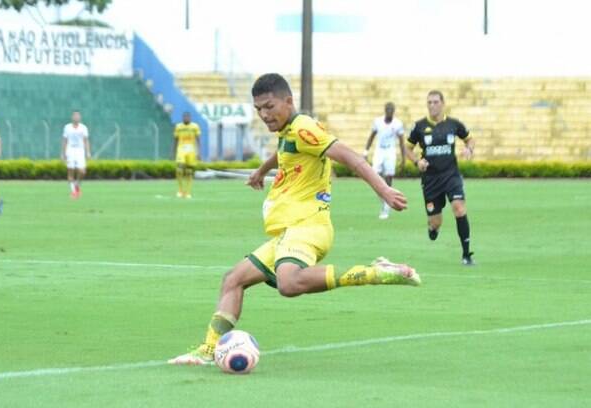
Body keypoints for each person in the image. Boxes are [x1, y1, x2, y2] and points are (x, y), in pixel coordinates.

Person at [168, 73, 420, 366]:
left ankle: (377, 272)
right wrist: (261, 171)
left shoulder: (304, 128)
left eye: (269, 106)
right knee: (233, 280)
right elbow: (283, 152)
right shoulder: (290, 132)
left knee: (288, 283)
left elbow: (351, 157)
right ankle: (209, 349)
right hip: (289, 232)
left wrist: (384, 190)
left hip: (308, 226)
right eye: (258, 109)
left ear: (288, 101)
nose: (264, 114)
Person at [404, 90, 476, 266]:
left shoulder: (454, 124)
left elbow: (469, 139)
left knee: (459, 208)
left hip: (451, 175)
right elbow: (407, 148)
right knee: (436, 221)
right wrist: (417, 161)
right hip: (431, 180)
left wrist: (469, 149)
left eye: (435, 102)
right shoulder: (419, 126)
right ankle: (433, 228)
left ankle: (466, 255)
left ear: (443, 103)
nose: (432, 105)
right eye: (429, 102)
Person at [363, 102, 405, 219]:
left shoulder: (397, 124)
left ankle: (386, 205)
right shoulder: (378, 122)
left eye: (392, 110)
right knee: (374, 175)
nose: (390, 112)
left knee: (389, 176)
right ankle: (383, 196)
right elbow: (371, 136)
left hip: (390, 151)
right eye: (388, 110)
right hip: (379, 150)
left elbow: (401, 142)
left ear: (394, 111)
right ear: (385, 110)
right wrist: (365, 152)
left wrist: (403, 158)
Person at [61, 110, 90, 199]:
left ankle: (77, 185)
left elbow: (86, 140)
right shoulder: (67, 127)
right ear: (72, 117)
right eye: (75, 116)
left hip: (80, 150)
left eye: (78, 116)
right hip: (70, 150)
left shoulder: (83, 128)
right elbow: (65, 140)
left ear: (80, 117)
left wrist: (88, 152)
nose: (76, 117)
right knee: (71, 171)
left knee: (82, 171)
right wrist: (63, 153)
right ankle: (73, 191)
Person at [173, 112, 200, 198]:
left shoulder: (195, 127)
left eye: (188, 117)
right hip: (181, 149)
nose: (186, 118)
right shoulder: (178, 127)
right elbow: (175, 140)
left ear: (190, 118)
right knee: (179, 169)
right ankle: (180, 190)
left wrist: (198, 152)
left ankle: (187, 192)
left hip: (191, 150)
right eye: (185, 117)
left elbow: (198, 140)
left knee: (189, 171)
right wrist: (173, 151)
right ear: (182, 118)